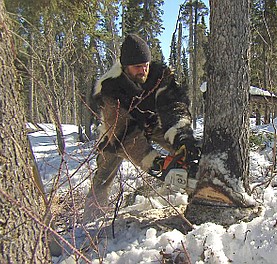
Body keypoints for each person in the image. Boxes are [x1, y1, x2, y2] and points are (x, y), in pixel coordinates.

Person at [83, 34, 200, 222]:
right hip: (116, 135)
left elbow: (174, 105)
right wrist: (155, 163)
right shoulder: (110, 88)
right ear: (124, 66)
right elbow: (124, 135)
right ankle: (91, 218)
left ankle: (200, 197)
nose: (143, 70)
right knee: (103, 177)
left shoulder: (159, 75)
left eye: (145, 64)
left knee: (187, 153)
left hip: (153, 124)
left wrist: (181, 135)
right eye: (137, 67)